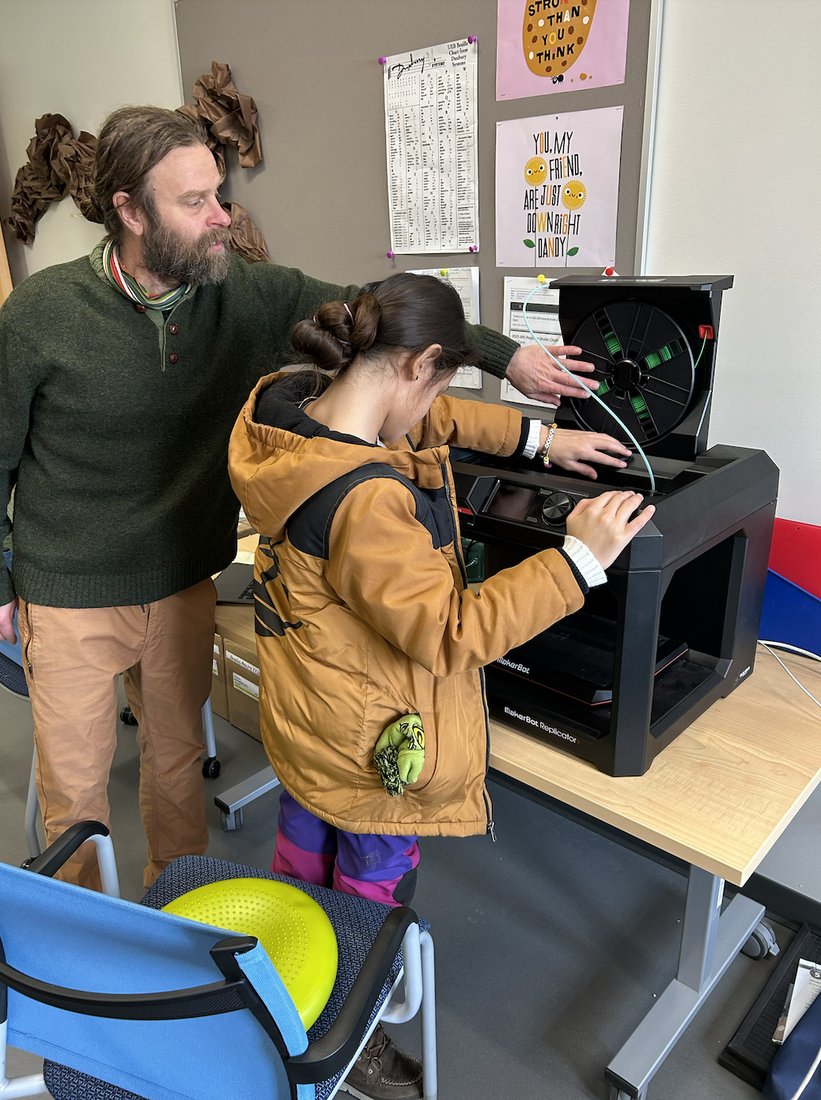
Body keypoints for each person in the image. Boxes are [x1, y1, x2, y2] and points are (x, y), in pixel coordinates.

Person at [0, 105, 602, 893]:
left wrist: (508, 356)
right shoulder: (41, 315)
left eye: (218, 194)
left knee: (177, 762)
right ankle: (87, 947)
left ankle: (176, 912)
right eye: (195, 203)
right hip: (70, 588)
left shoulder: (241, 295)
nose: (222, 218)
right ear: (128, 210)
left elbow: (375, 315)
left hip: (183, 576)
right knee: (76, 794)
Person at [227, 272, 655, 1100]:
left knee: (304, 841)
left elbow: (427, 416)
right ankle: (347, 1031)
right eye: (439, 382)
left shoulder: (284, 406)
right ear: (417, 361)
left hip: (308, 715)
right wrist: (577, 562)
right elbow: (451, 631)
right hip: (370, 747)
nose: (435, 410)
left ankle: (284, 972)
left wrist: (537, 443)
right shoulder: (366, 502)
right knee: (373, 879)